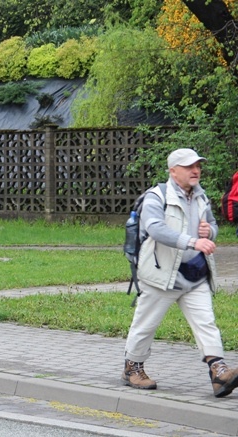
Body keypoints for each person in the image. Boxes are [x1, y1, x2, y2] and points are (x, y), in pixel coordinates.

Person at [122, 148, 238, 398]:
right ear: (173, 171)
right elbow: (155, 229)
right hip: (161, 275)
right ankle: (132, 368)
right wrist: (192, 242)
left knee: (206, 323)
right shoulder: (156, 197)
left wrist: (210, 233)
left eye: (198, 166)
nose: (195, 170)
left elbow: (213, 226)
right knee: (145, 325)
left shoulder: (200, 197)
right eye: (189, 167)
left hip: (195, 275)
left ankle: (218, 372)